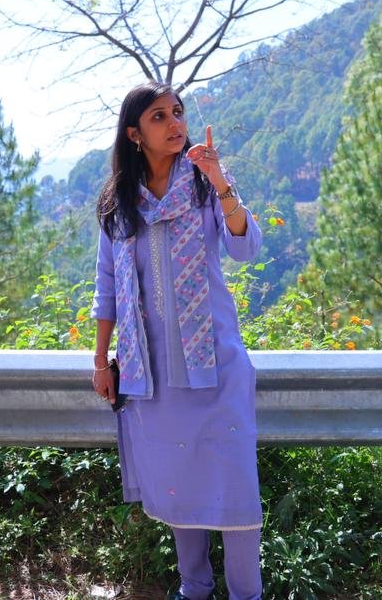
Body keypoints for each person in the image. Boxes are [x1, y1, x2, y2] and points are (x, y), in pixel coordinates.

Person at [90, 83, 264, 600]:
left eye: (178, 112)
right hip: (152, 374)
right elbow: (106, 287)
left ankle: (246, 594)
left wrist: (220, 179)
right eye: (159, 116)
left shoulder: (206, 185)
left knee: (234, 486)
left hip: (217, 365)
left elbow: (246, 247)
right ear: (134, 134)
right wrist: (101, 361)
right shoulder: (118, 205)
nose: (175, 123)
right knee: (178, 482)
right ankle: (194, 588)